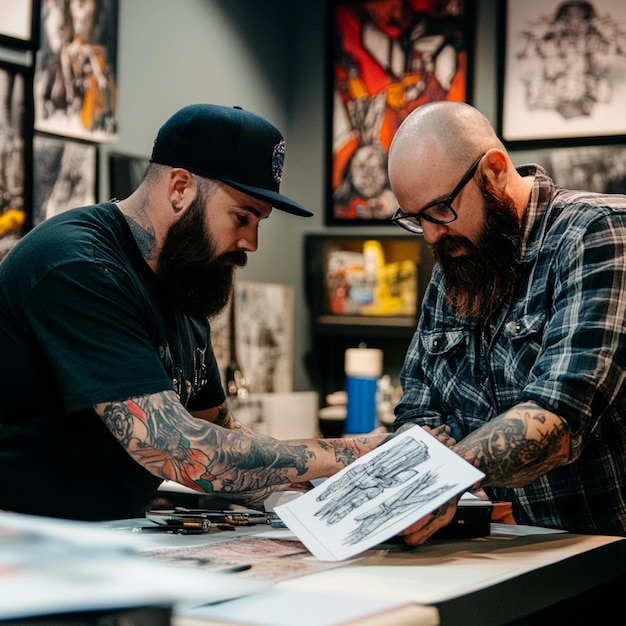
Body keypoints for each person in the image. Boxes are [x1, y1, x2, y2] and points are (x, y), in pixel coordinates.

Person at [0, 103, 390, 521]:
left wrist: (326, 491)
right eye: (242, 217)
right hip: (22, 545)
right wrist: (342, 452)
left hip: (101, 537)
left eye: (258, 221)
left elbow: (220, 434)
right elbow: (172, 444)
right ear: (180, 187)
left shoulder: (181, 281)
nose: (251, 243)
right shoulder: (78, 265)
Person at [386, 101, 626, 547]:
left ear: (494, 169)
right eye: (415, 219)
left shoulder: (599, 233)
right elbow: (419, 408)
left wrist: (436, 477)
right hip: (516, 550)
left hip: (606, 558)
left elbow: (559, 418)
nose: (432, 234)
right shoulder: (456, 263)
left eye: (439, 209)